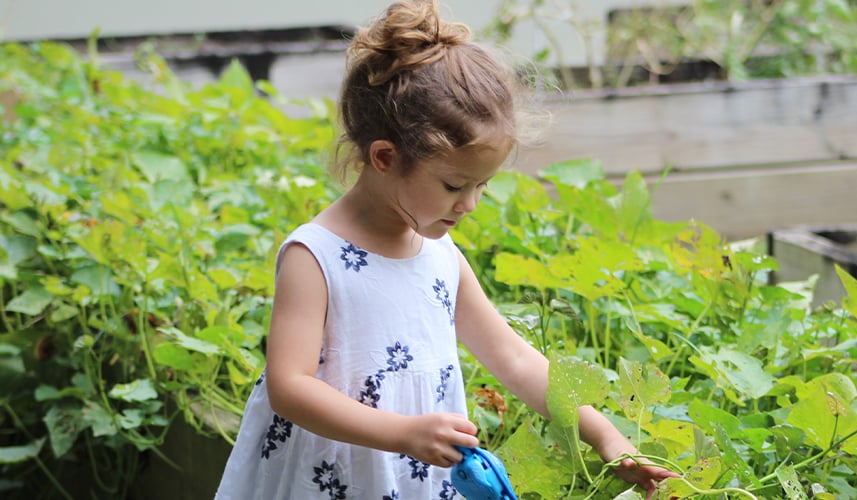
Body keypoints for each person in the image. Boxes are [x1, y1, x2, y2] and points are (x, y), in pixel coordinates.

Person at [215, 1, 678, 498]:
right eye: (455, 185)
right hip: (334, 479)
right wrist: (402, 433)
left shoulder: (439, 257)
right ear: (385, 157)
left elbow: (516, 362)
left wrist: (607, 437)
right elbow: (290, 387)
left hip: (415, 479)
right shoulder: (317, 257)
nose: (471, 203)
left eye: (482, 185)